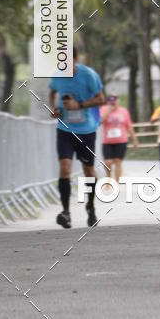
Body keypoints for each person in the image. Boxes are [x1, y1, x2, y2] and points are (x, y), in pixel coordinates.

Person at [49, 47, 104, 229]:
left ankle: (90, 206)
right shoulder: (57, 75)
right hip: (64, 129)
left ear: (75, 59)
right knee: (65, 168)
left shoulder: (88, 75)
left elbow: (100, 99)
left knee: (88, 171)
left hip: (86, 130)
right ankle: (66, 212)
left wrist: (79, 104)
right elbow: (52, 92)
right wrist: (54, 109)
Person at [100, 94, 138, 181]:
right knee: (108, 162)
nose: (113, 104)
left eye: (115, 102)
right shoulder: (103, 109)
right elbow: (100, 121)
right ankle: (108, 179)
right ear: (108, 103)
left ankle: (117, 182)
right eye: (111, 102)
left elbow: (129, 126)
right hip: (107, 141)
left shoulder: (124, 111)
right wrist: (108, 111)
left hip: (121, 140)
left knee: (118, 162)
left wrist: (135, 140)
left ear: (118, 101)